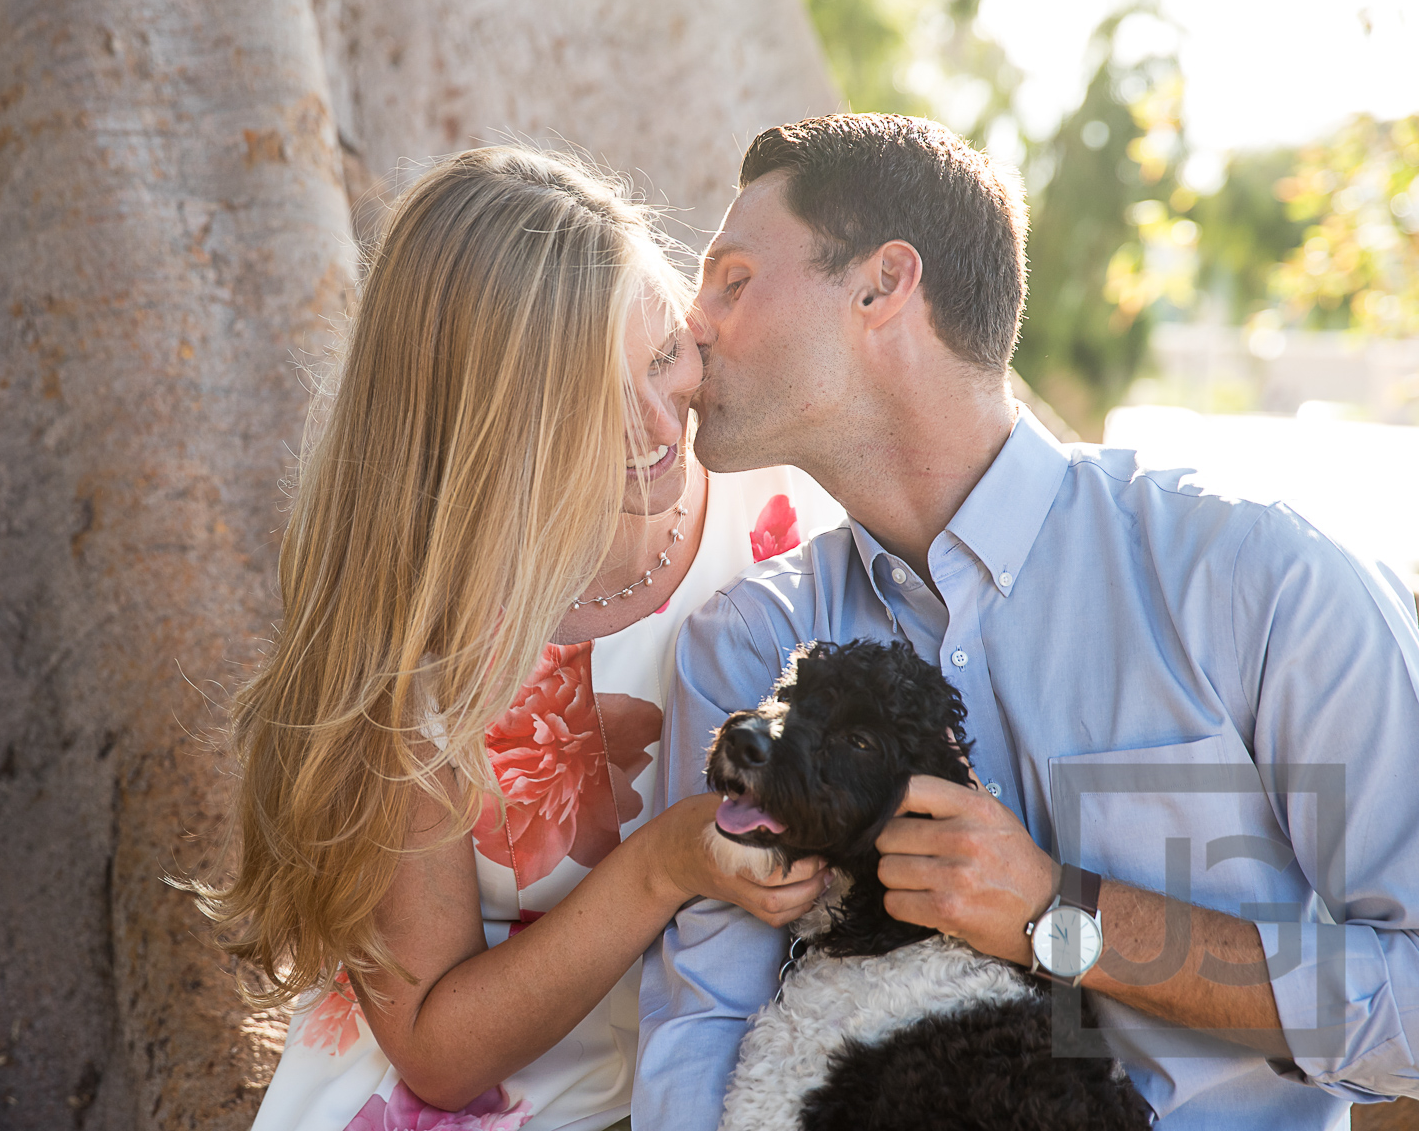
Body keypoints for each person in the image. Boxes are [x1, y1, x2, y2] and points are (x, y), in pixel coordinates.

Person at [634, 114, 1419, 1129]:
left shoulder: (1257, 582)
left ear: (883, 285)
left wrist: (1068, 922)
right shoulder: (747, 650)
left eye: (731, 279)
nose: (691, 326)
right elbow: (704, 1039)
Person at [202, 146, 842, 1131]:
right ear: (491, 428)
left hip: (738, 1072)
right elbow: (434, 1051)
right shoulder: (421, 638)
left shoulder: (779, 503)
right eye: (591, 405)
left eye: (662, 355)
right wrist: (667, 864)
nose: (656, 428)